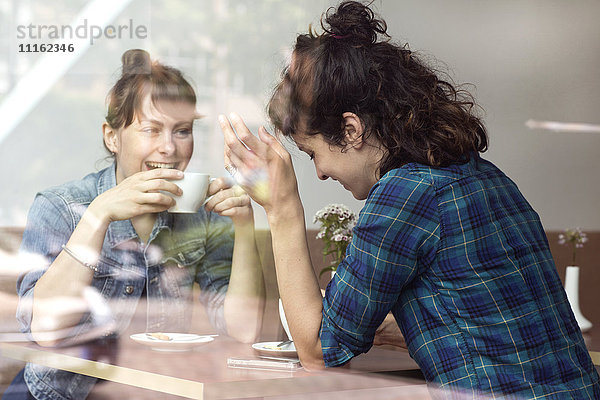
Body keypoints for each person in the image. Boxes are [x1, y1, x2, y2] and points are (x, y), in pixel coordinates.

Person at [219, 1, 600, 398]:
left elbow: (318, 351)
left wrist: (281, 208)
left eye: (313, 153)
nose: (319, 172)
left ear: (351, 130)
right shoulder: (485, 176)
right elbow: (485, 320)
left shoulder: (405, 193)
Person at [6, 49, 265, 400]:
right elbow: (46, 329)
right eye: (151, 130)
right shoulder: (61, 207)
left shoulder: (203, 215)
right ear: (112, 137)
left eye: (182, 131)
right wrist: (98, 216)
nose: (170, 148)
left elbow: (245, 328)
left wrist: (245, 225)